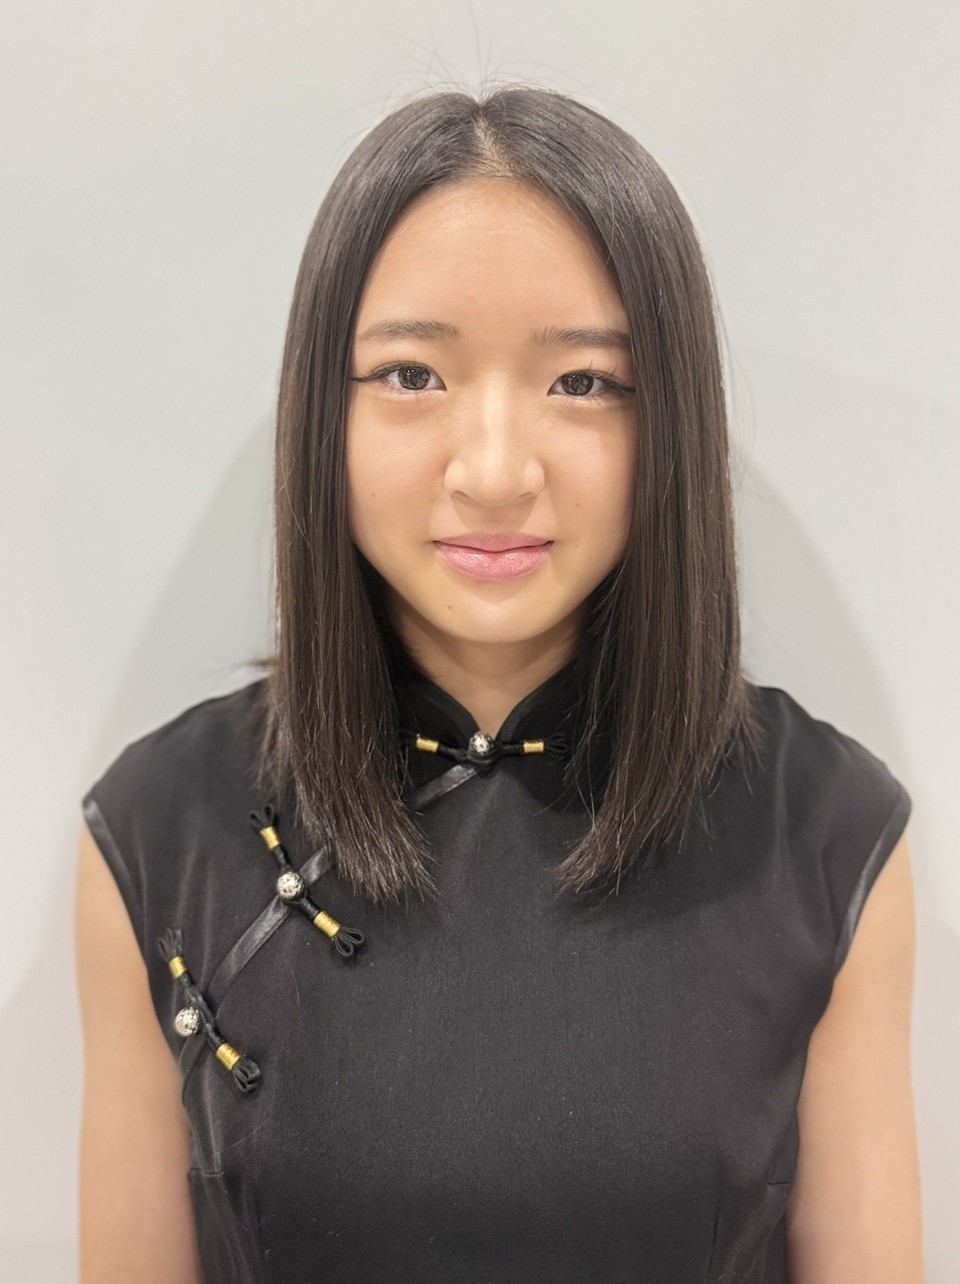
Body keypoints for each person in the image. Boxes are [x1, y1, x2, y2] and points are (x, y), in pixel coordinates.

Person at [74, 84, 924, 1283]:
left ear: (671, 420)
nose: (491, 471)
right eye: (411, 374)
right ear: (322, 412)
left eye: (582, 382)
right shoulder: (161, 829)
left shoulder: (828, 834)